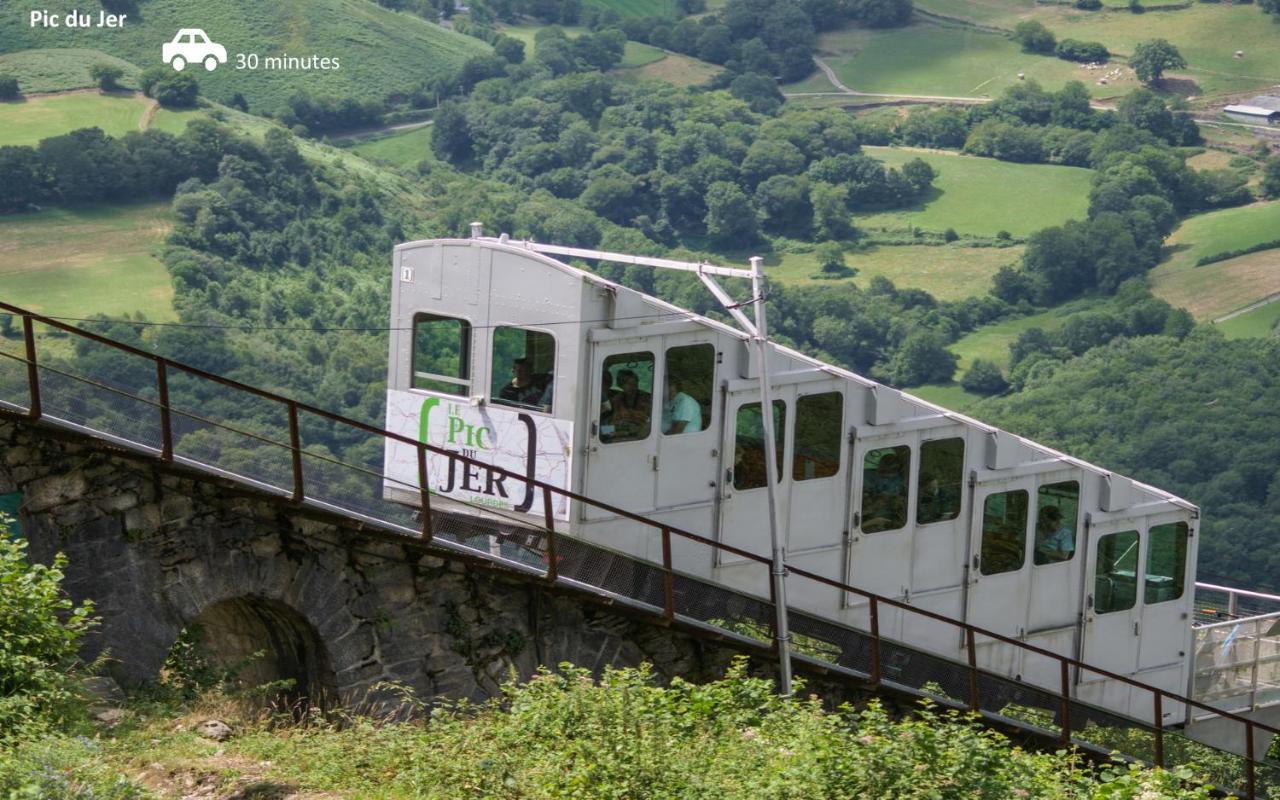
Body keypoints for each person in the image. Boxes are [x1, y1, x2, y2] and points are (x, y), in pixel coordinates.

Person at [608, 369, 651, 441]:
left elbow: (652, 422)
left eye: (635, 384)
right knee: (602, 430)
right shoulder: (616, 400)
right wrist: (625, 431)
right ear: (621, 385)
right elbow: (611, 424)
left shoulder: (647, 398)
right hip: (621, 434)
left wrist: (638, 429)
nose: (633, 387)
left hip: (643, 436)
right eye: (629, 384)